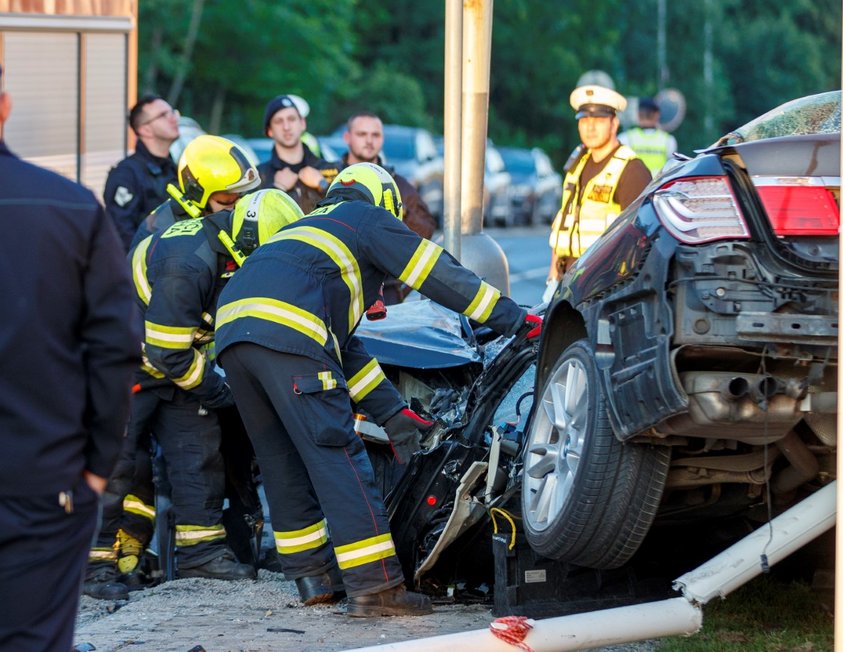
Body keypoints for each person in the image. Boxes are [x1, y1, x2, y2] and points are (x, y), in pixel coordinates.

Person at [214, 163, 541, 615]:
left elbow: (345, 351)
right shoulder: (366, 219)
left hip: (233, 336)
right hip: (291, 334)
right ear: (385, 203)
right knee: (337, 455)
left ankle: (313, 578)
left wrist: (393, 414)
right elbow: (438, 272)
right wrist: (515, 319)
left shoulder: (306, 233)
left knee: (279, 459)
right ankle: (376, 589)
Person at [0, 64, 139, 652]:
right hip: (40, 479)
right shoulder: (69, 207)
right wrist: (94, 468)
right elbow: (114, 349)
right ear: (4, 105)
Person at [128, 183, 302, 583]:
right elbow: (167, 353)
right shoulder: (189, 262)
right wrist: (223, 391)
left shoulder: (232, 242)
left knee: (199, 454)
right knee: (120, 464)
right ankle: (96, 568)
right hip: (123, 364)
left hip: (177, 364)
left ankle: (200, 556)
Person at [548, 84, 652, 283]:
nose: (590, 127)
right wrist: (553, 273)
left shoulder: (631, 170)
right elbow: (565, 219)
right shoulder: (578, 163)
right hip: (567, 277)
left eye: (599, 119)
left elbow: (640, 237)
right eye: (584, 119)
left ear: (614, 124)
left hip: (605, 281)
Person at [343, 111, 438, 305]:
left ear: (382, 139)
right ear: (347, 138)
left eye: (375, 135)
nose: (369, 141)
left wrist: (400, 209)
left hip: (387, 292)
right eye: (362, 134)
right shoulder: (328, 179)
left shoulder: (397, 184)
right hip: (340, 288)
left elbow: (426, 229)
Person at [130, 134, 261, 250]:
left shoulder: (226, 215)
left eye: (242, 194)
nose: (237, 205)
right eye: (227, 197)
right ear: (197, 192)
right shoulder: (161, 230)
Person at [103, 94, 180, 250]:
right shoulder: (126, 175)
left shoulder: (175, 169)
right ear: (145, 129)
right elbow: (122, 236)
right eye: (163, 115)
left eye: (172, 112)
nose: (173, 119)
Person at [259, 94, 341, 214]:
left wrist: (323, 185)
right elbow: (252, 223)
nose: (286, 127)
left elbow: (347, 211)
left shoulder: (333, 169)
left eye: (291, 119)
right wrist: (277, 188)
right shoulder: (258, 177)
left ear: (302, 123)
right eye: (278, 121)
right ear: (269, 131)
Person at [619, 97, 678, 174]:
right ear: (657, 115)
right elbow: (672, 169)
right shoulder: (669, 140)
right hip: (659, 185)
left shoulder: (625, 138)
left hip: (635, 184)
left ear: (638, 114)